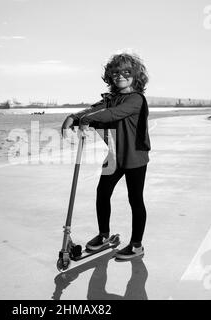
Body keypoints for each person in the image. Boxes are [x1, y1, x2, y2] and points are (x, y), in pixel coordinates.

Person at [60, 52, 151, 260]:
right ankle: (103, 235)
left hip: (135, 157)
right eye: (116, 73)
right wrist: (73, 117)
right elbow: (96, 109)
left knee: (135, 199)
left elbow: (112, 114)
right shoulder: (112, 98)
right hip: (114, 156)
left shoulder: (136, 99)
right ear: (110, 76)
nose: (120, 76)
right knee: (102, 192)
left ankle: (137, 245)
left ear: (136, 75)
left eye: (127, 72)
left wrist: (86, 119)